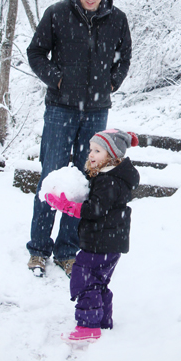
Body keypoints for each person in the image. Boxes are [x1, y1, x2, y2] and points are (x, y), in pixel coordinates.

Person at [26, 0, 132, 278]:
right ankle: (39, 249)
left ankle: (67, 250)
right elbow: (35, 52)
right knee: (52, 174)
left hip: (97, 109)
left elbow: (124, 56)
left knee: (86, 178)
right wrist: (56, 79)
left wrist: (111, 83)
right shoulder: (57, 14)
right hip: (60, 107)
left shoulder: (117, 20)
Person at [45, 129, 140, 342]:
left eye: (97, 150)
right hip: (109, 243)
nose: (91, 154)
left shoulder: (109, 181)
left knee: (86, 279)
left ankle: (88, 326)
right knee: (98, 282)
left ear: (112, 155)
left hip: (101, 242)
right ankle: (102, 320)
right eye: (90, 149)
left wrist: (69, 207)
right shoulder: (112, 176)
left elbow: (95, 210)